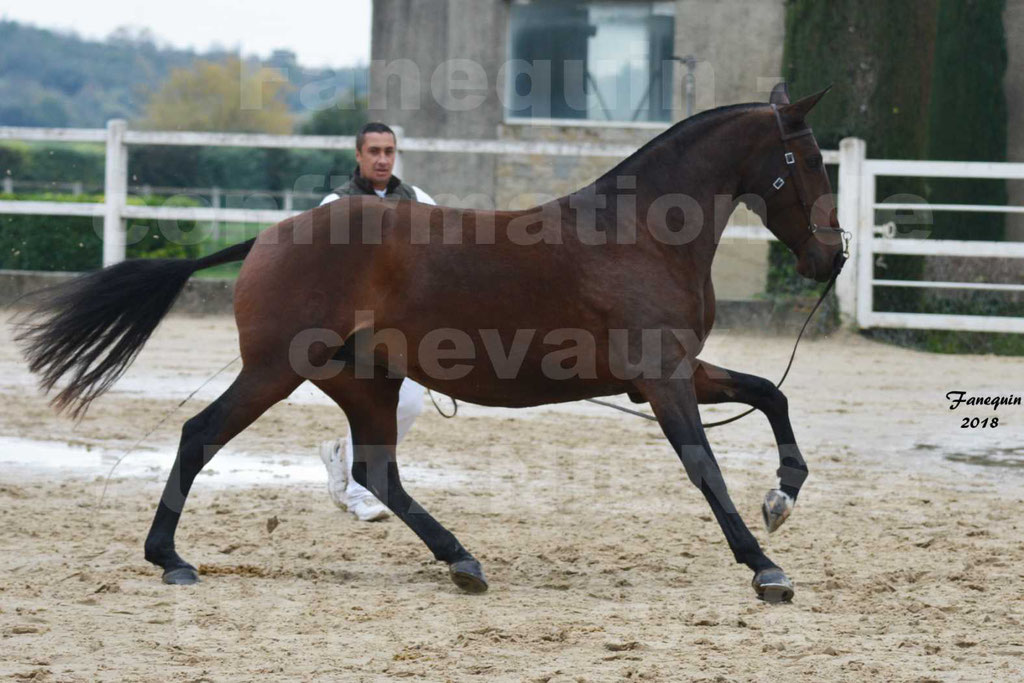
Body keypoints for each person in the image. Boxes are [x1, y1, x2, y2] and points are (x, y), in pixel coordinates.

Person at [317, 122, 434, 522]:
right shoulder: (336, 203)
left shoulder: (418, 199)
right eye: (374, 152)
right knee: (371, 405)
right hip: (357, 329)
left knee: (410, 405)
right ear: (358, 155)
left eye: (389, 151)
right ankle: (358, 489)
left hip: (406, 327)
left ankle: (345, 459)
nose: (383, 159)